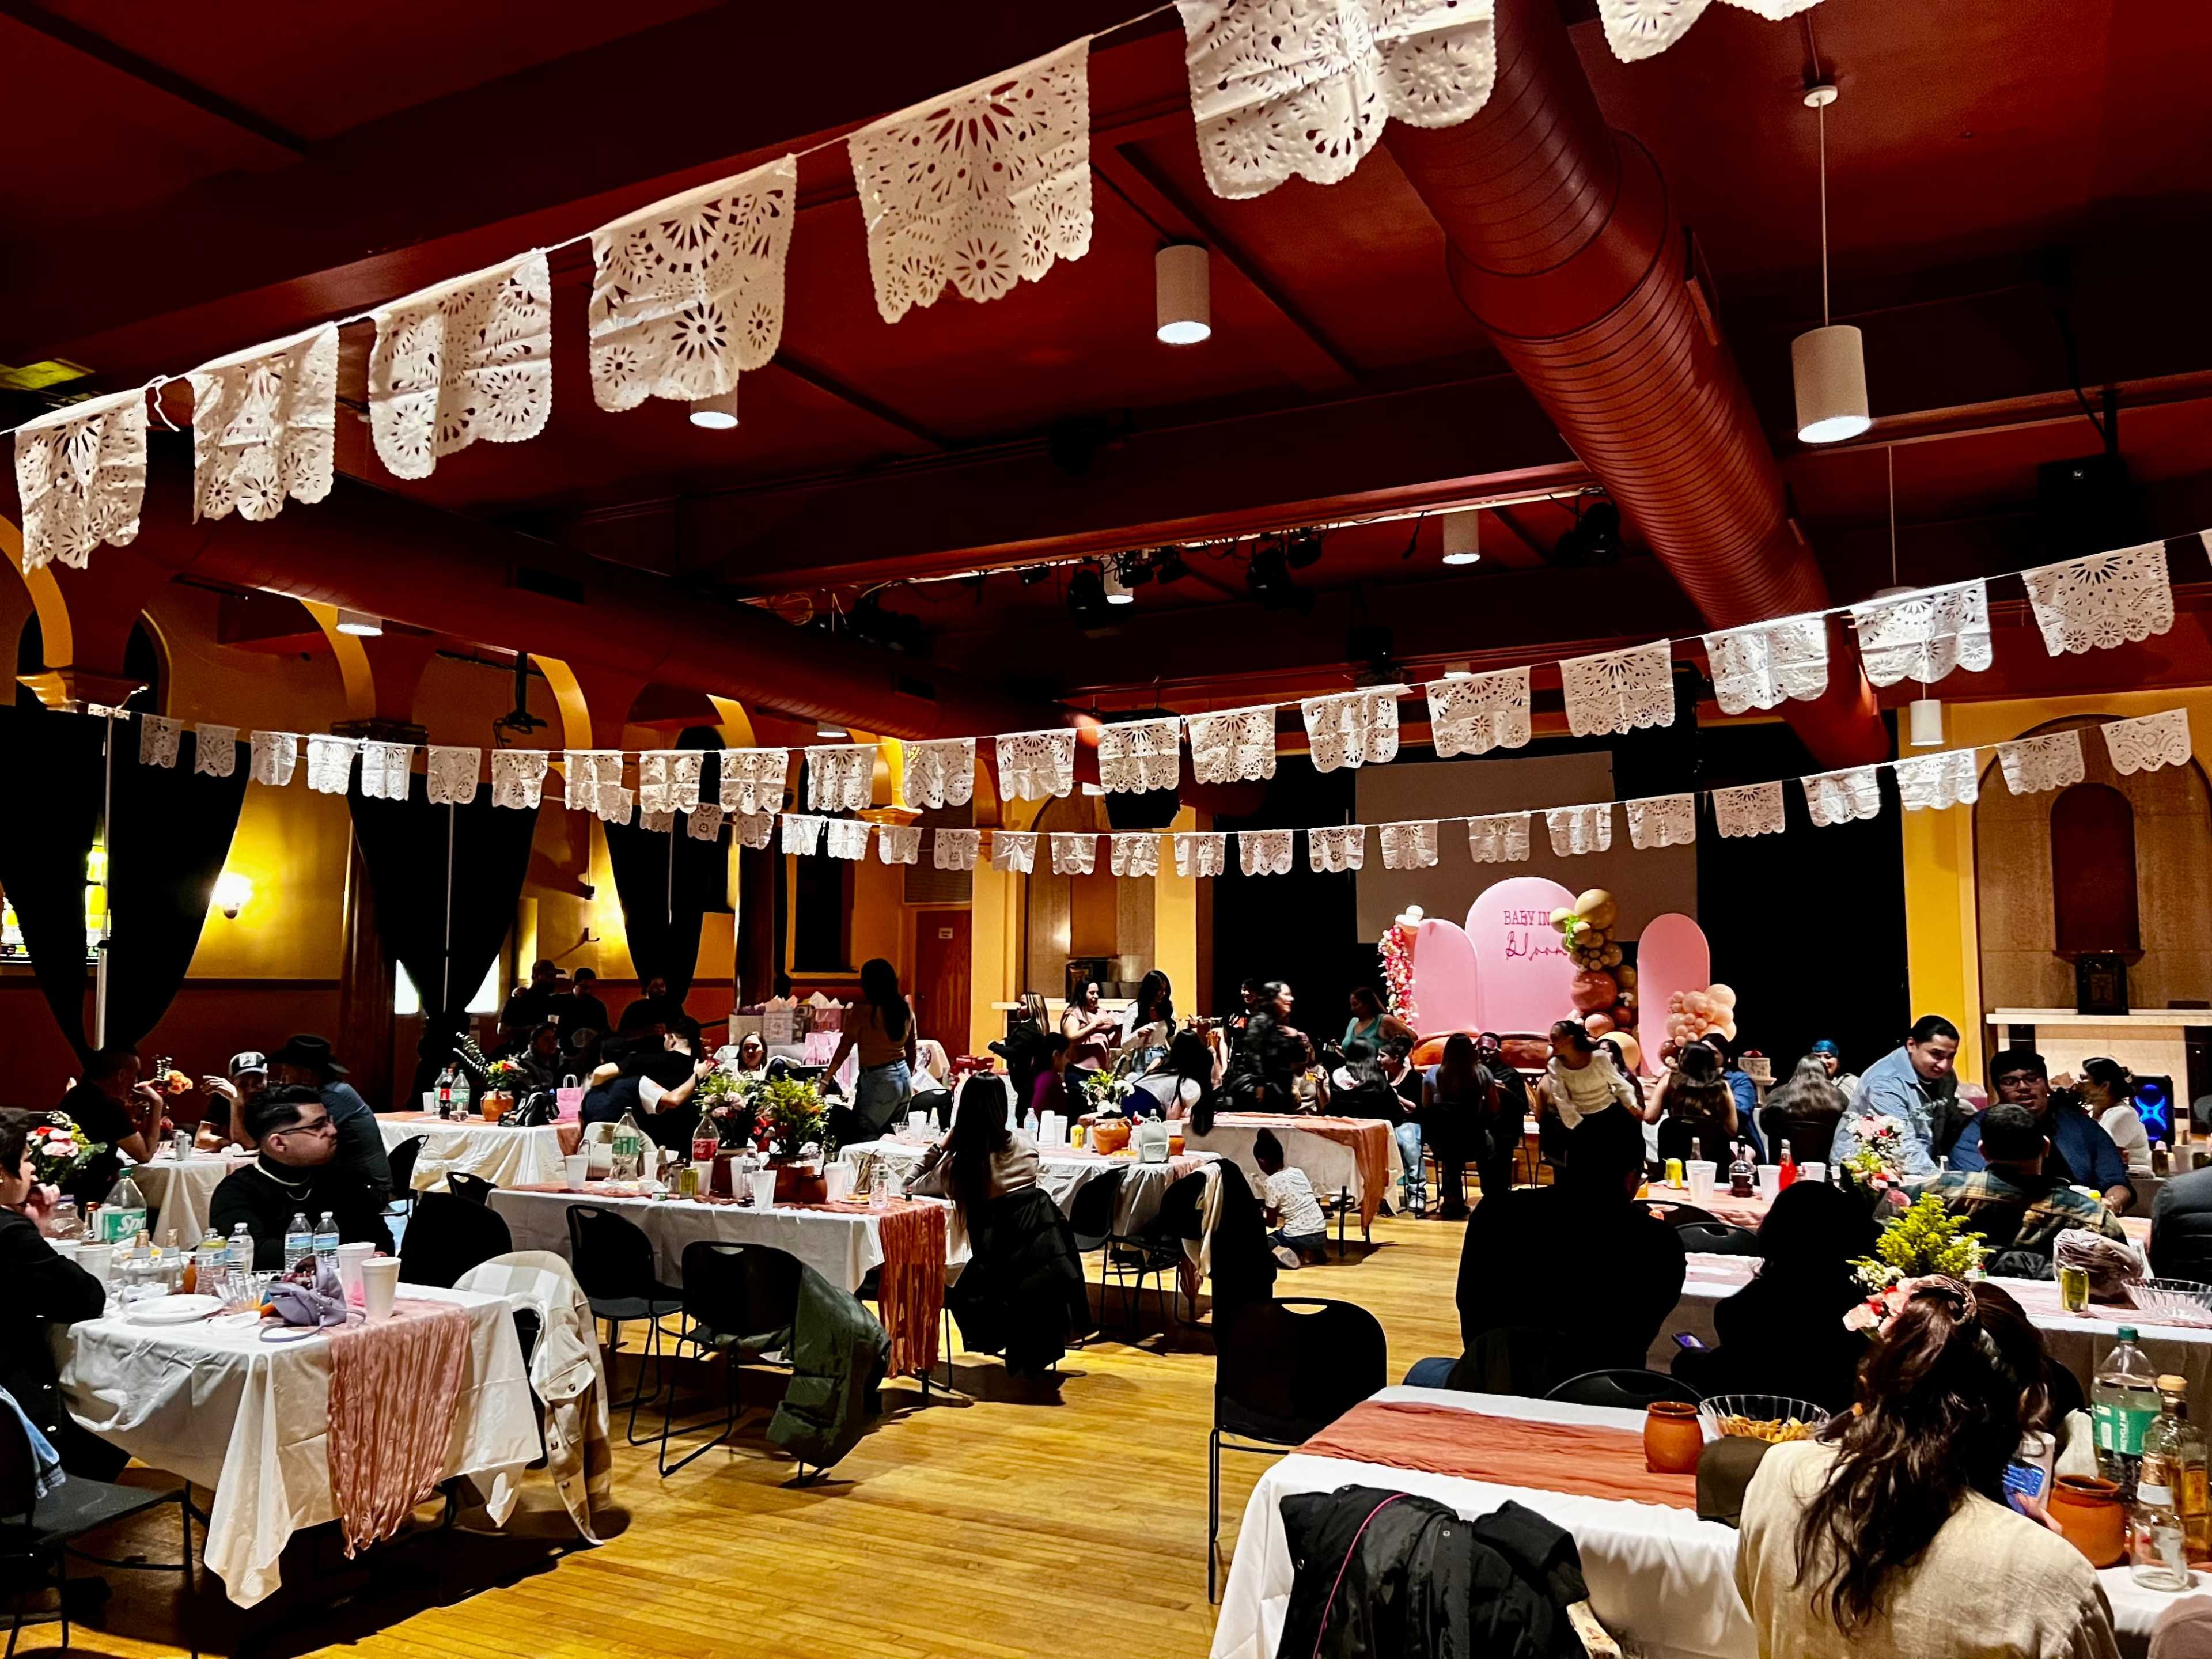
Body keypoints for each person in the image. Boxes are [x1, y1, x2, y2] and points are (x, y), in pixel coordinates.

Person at [1735, 1277, 2116, 1659]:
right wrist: (2037, 1554)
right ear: (2027, 1405)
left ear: (1880, 1376)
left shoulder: (1779, 1475)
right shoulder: (2053, 1576)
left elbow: (1758, 1603)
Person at [1455, 1112, 1685, 1369]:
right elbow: (1639, 1336)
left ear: (1566, 1160)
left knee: (1425, 1370)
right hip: (1606, 1395)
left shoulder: (1495, 1213)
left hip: (1494, 1381)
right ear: (1631, 1179)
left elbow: (1471, 1311)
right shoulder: (1659, 1242)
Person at [1671, 1181, 1878, 1411]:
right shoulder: (1868, 1308)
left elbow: (1734, 1375)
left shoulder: (1751, 1307)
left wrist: (1692, 1361)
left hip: (1758, 1422)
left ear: (1776, 1233)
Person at [0, 1107, 117, 1480]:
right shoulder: (9, 1234)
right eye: (23, 1160)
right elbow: (84, 1299)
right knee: (114, 1418)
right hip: (12, 1425)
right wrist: (34, 1230)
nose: (33, 1169)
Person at [1924, 1103, 2127, 1274]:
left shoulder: (1936, 1194)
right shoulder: (2092, 1217)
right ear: (2046, 1147)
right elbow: (2122, 1274)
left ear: (1982, 1150)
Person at [207, 1087, 395, 1269]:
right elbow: (254, 1256)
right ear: (279, 1143)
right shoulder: (236, 1192)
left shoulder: (342, 1180)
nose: (333, 1131)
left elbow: (381, 1242)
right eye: (318, 1125)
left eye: (329, 1121)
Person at [1949, 1048, 2133, 1214]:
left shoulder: (2081, 1126)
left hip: (2079, 1221)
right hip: (2003, 1219)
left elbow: (2115, 1181)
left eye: (2032, 1078)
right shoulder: (1979, 1129)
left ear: (2046, 1084)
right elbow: (1971, 1184)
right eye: (2010, 1081)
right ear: (1998, 1090)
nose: (2023, 1087)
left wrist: (2112, 1203)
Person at [1827, 1015, 1962, 1181]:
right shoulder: (1884, 1081)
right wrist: (1939, 1181)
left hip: (1913, 1166)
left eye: (1951, 1056)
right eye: (1936, 1054)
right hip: (1864, 1170)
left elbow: (1952, 1124)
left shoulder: (1946, 1075)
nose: (1945, 1065)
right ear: (1911, 1045)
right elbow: (1901, 1144)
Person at [264, 1034, 394, 1206]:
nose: (282, 1078)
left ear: (307, 1075)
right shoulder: (330, 1092)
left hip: (367, 1191)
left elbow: (290, 1140)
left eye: (287, 1071)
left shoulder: (332, 1098)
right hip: (346, 1183)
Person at [910, 1076, 1042, 1217]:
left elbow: (908, 1187)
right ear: (1003, 1107)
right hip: (1022, 1235)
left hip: (975, 1237)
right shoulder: (1029, 1148)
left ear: (964, 1111)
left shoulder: (957, 1170)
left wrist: (940, 1147)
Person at [828, 958, 918, 1140]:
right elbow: (912, 1047)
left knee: (865, 1136)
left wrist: (826, 1078)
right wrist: (905, 1074)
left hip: (879, 1078)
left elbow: (844, 1047)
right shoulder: (904, 1009)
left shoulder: (863, 1012)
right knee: (893, 1138)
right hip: (903, 1077)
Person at [52, 1045, 154, 1203]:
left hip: (65, 1185)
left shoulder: (75, 1094)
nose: (136, 1083)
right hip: (94, 1192)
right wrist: (157, 1104)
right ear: (122, 1075)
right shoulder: (110, 1107)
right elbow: (145, 1155)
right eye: (135, 1076)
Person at [1423, 1033, 1501, 1218]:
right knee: (1487, 1141)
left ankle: (1452, 1199)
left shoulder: (1433, 1073)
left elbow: (1427, 1108)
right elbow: (1494, 1107)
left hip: (1444, 1143)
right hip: (1475, 1141)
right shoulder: (1483, 1073)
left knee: (1451, 1142)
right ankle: (1491, 1197)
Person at [581, 1043, 712, 1151]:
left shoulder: (589, 1093)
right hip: (629, 1157)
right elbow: (674, 1099)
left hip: (595, 1159)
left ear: (602, 1061)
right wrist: (697, 1076)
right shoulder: (637, 1083)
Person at [1226, 980, 1320, 1113]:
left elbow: (1299, 1067)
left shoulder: (1287, 1028)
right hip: (1259, 1096)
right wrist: (1260, 1085)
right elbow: (1254, 1056)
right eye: (1286, 995)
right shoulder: (1260, 1021)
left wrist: (1297, 1040)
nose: (1291, 999)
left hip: (1281, 1093)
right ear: (1274, 998)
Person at [1654, 1042, 1737, 1168]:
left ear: (1684, 1060)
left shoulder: (1668, 1080)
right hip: (1714, 1163)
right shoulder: (1722, 1085)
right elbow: (1732, 1128)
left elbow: (1650, 1117)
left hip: (1675, 1160)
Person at [1254, 1128, 1328, 1268]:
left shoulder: (1272, 1183)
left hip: (1298, 1235)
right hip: (1321, 1233)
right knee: (1295, 1234)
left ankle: (1283, 1253)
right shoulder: (1298, 1172)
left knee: (1264, 1242)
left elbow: (1271, 1223)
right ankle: (1310, 1254)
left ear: (1262, 1162)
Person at [1758, 1055, 1847, 1166]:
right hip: (1823, 1166)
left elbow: (1765, 1126)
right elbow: (1847, 1128)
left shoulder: (1778, 1094)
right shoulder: (1839, 1097)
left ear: (1797, 1071)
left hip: (1784, 1164)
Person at [2077, 1056, 2152, 1174]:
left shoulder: (2123, 1115)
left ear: (2104, 1086)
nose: (2077, 1083)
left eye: (2084, 1078)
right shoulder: (2094, 1114)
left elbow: (2094, 1152)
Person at [1132, 1031, 1216, 1130]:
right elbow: (1171, 1117)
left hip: (1129, 1098)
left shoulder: (1162, 1065)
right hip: (1145, 1107)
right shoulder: (1189, 1084)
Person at [1700, 1033, 1765, 1161]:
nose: (1706, 1056)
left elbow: (1741, 1110)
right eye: (1703, 1051)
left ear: (1724, 1055)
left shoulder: (1740, 1079)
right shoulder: (1691, 1078)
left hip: (1737, 1138)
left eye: (1712, 1053)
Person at [197, 1049, 267, 1151]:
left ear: (266, 1077)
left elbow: (249, 1145)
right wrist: (229, 1145)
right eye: (243, 1083)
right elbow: (201, 1139)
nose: (251, 1089)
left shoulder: (275, 1097)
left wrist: (236, 1103)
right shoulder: (224, 1097)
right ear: (231, 1082)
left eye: (257, 1082)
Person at [498, 957, 563, 1047]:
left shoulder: (550, 1002)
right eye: (549, 976)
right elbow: (502, 1031)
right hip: (520, 1052)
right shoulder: (517, 1001)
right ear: (535, 976)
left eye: (554, 977)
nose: (553, 980)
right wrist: (535, 1029)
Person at [1059, 980, 1119, 1075]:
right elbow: (1071, 1037)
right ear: (1082, 994)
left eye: (1097, 993)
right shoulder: (1074, 1013)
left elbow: (1112, 1043)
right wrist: (1094, 1026)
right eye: (1092, 993)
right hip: (1079, 1070)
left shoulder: (1101, 1012)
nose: (1096, 996)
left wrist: (1118, 1031)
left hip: (1101, 1072)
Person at [1120, 969, 1176, 1065]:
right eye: (1160, 990)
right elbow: (1125, 1044)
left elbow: (1173, 1041)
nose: (1163, 994)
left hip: (1162, 1058)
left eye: (1165, 990)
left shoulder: (1166, 1009)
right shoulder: (1134, 1010)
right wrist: (1137, 1034)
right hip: (1142, 1059)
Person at [1342, 985, 1414, 1053]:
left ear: (1367, 1004)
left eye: (1356, 1004)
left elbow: (1412, 1038)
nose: (1352, 1009)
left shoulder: (1383, 1020)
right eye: (1351, 1005)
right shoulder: (1353, 1022)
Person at [616, 973, 688, 1037]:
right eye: (656, 987)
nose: (660, 989)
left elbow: (685, 1030)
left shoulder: (674, 1007)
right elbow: (622, 1034)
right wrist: (646, 1032)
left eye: (662, 986)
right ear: (647, 989)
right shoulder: (636, 1008)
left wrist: (667, 1030)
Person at [1028, 1032, 1075, 1124]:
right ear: (1056, 1054)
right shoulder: (1050, 1079)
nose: (1068, 1061)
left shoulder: (1039, 1075)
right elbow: (1037, 1113)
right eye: (1067, 1055)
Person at [563, 966, 613, 1049]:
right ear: (574, 985)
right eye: (584, 987)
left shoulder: (598, 1006)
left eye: (591, 988)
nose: (588, 991)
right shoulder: (563, 1003)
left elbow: (605, 1031)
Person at [512, 1021, 569, 1092]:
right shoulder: (524, 1065)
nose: (552, 1043)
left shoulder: (558, 1059)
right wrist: (554, 1090)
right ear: (534, 1044)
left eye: (555, 1039)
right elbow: (529, 1090)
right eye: (546, 1039)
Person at [1808, 1039, 1859, 1105]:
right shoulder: (1799, 1082)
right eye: (1817, 1057)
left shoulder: (1853, 1082)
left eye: (1828, 1057)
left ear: (1838, 1062)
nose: (1823, 1061)